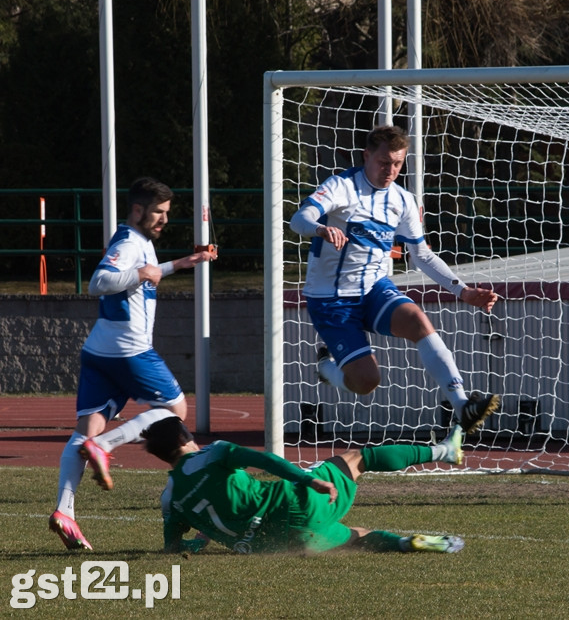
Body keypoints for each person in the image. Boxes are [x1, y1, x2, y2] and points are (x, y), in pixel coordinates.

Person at [289, 125, 500, 437]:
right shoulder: (341, 186)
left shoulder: (403, 200)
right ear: (366, 157)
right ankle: (327, 368)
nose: (390, 170)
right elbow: (299, 220)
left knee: (417, 319)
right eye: (384, 162)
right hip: (331, 298)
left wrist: (463, 290)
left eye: (397, 164)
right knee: (366, 382)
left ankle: (462, 405)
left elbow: (422, 255)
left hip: (374, 288)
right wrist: (321, 229)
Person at [49, 177, 218, 550]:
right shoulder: (128, 242)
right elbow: (99, 282)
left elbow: (147, 275)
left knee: (85, 428)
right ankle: (104, 446)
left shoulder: (139, 243)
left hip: (100, 350)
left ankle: (65, 511)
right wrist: (141, 272)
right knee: (175, 409)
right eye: (158, 212)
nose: (163, 220)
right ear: (138, 210)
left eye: (166, 213)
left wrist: (182, 263)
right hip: (128, 348)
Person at [143, 416, 466, 554]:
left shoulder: (169, 497)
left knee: (357, 537)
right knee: (357, 459)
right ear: (187, 439)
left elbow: (171, 547)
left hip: (276, 546)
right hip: (297, 503)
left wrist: (199, 543)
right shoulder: (214, 453)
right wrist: (308, 479)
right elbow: (268, 461)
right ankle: (444, 451)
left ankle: (404, 543)